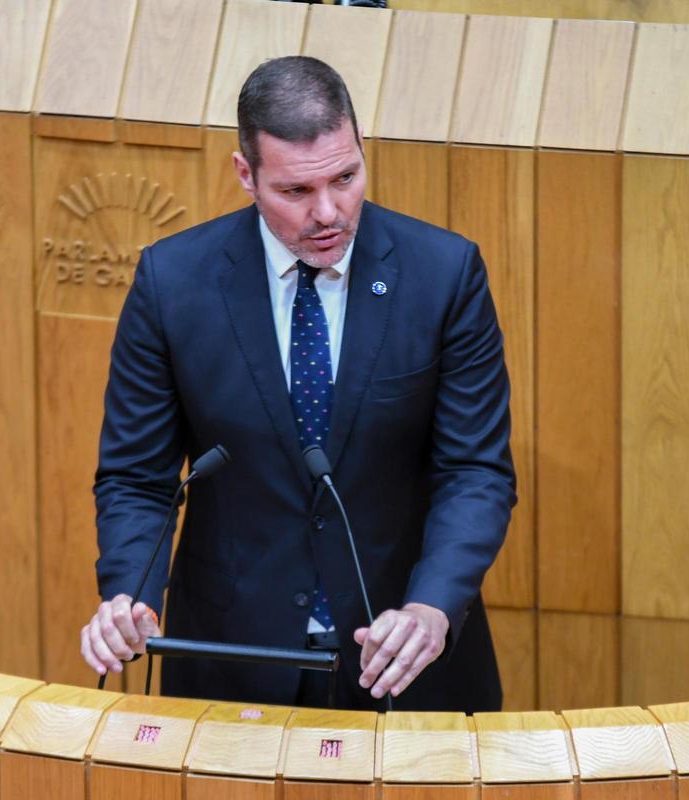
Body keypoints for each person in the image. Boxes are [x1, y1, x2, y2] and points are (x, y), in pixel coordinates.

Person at [80, 56, 515, 712]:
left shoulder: (444, 275)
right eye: (296, 192)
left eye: (346, 177)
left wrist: (431, 608)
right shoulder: (173, 284)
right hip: (232, 662)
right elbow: (138, 478)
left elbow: (476, 471)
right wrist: (128, 595)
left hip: (403, 655)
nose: (329, 212)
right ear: (245, 175)